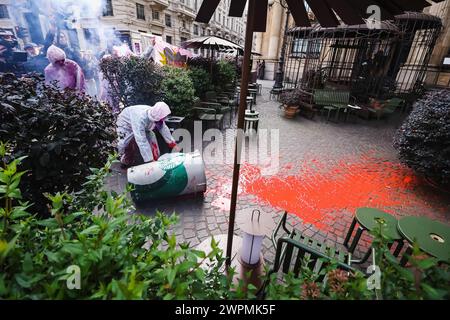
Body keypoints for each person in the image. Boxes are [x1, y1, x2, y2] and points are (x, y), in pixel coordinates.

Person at [116, 102, 179, 168]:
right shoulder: (140, 119)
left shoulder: (155, 114)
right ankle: (125, 162)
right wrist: (150, 160)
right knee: (125, 144)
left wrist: (172, 144)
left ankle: (156, 161)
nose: (164, 118)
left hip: (140, 123)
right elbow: (141, 140)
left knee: (152, 137)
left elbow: (163, 129)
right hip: (125, 124)